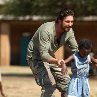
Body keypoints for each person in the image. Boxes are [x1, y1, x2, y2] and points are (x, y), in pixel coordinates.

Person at [26, 7, 78, 97]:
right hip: (35, 58)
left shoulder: (69, 32)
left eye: (72, 22)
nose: (70, 24)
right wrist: (59, 62)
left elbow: (76, 50)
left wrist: (91, 60)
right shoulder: (46, 30)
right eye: (67, 22)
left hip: (50, 57)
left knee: (68, 85)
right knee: (49, 85)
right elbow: (43, 55)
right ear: (59, 20)